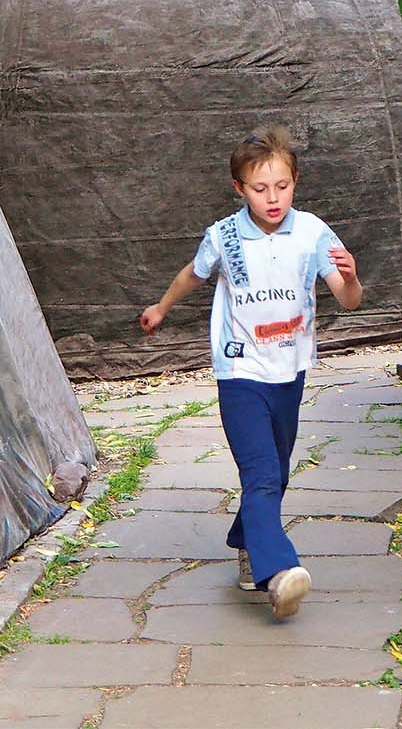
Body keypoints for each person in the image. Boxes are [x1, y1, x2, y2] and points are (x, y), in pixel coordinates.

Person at [139, 125, 362, 620]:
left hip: (290, 369)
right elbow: (192, 274)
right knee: (260, 473)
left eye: (282, 186)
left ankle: (246, 542)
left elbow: (348, 299)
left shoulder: (313, 233)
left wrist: (350, 279)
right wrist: (161, 307)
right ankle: (278, 571)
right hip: (239, 368)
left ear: (295, 182)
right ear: (239, 188)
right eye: (260, 188)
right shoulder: (223, 236)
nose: (273, 198)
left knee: (276, 472)